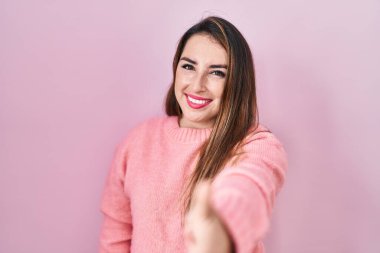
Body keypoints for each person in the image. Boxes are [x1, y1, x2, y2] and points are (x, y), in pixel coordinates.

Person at [99, 15, 288, 253]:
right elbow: (116, 235)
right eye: (188, 66)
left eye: (217, 73)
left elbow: (249, 187)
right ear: (176, 69)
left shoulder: (257, 144)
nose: (198, 84)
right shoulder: (138, 141)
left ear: (238, 83)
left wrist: (222, 226)